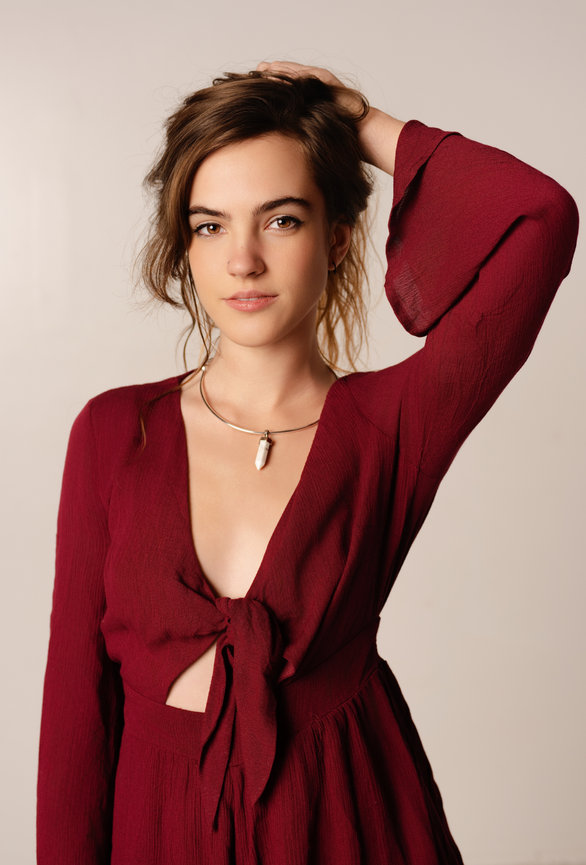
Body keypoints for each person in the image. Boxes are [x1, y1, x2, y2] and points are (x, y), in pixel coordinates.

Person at [37, 60, 579, 864]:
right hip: (160, 832)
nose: (243, 260)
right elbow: (76, 720)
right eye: (210, 225)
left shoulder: (392, 424)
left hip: (349, 822)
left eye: (282, 220)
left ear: (338, 238)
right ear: (184, 245)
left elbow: (543, 217)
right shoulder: (114, 433)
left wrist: (361, 125)